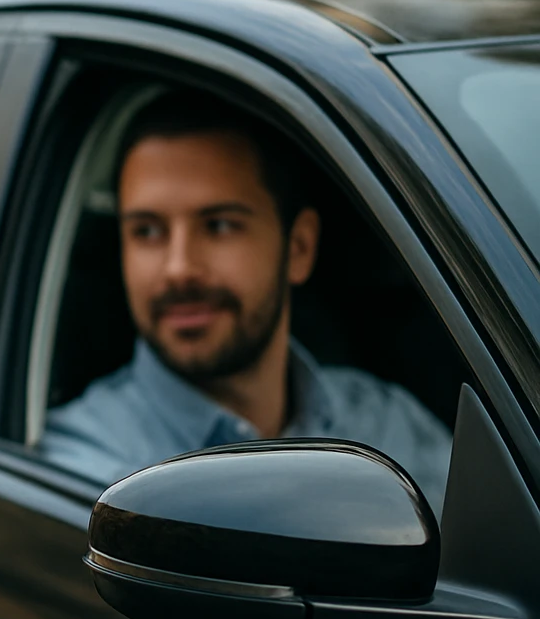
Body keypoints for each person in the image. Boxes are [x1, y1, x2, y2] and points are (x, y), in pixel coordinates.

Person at [41, 87, 451, 511]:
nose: (178, 268)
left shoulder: (389, 426)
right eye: (147, 231)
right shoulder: (87, 469)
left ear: (299, 249)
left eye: (218, 225)